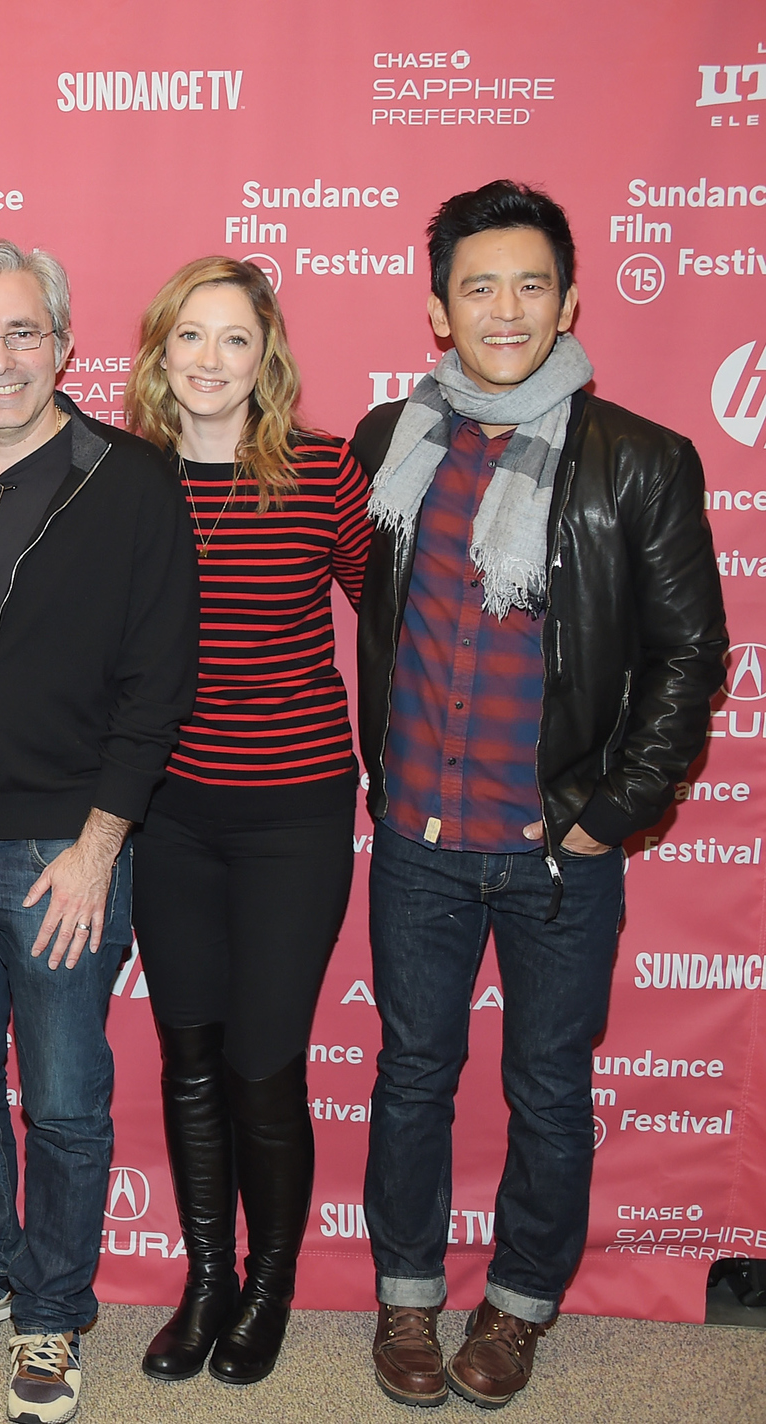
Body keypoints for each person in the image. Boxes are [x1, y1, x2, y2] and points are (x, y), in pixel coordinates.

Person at [353, 180, 725, 1410]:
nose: (502, 308)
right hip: (414, 833)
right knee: (410, 1071)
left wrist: (606, 809)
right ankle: (404, 1297)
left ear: (566, 299)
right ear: (435, 308)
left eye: (526, 284)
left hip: (559, 845)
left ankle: (516, 1305)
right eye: (476, 286)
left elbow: (687, 656)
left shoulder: (641, 461)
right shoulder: (385, 446)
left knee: (547, 1085)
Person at [0, 240, 199, 1424]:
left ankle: (54, 1309)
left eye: (22, 333)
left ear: (66, 344)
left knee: (62, 1097)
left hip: (60, 854)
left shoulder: (130, 479)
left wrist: (100, 841)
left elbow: (158, 678)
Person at [124, 257, 371, 1385]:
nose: (211, 360)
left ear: (263, 355)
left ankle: (270, 1284)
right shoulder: (123, 480)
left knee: (263, 1061)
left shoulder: (324, 472)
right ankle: (207, 1276)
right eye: (191, 337)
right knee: (187, 1056)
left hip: (292, 810)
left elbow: (397, 614)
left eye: (234, 339)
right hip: (167, 812)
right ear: (158, 353)